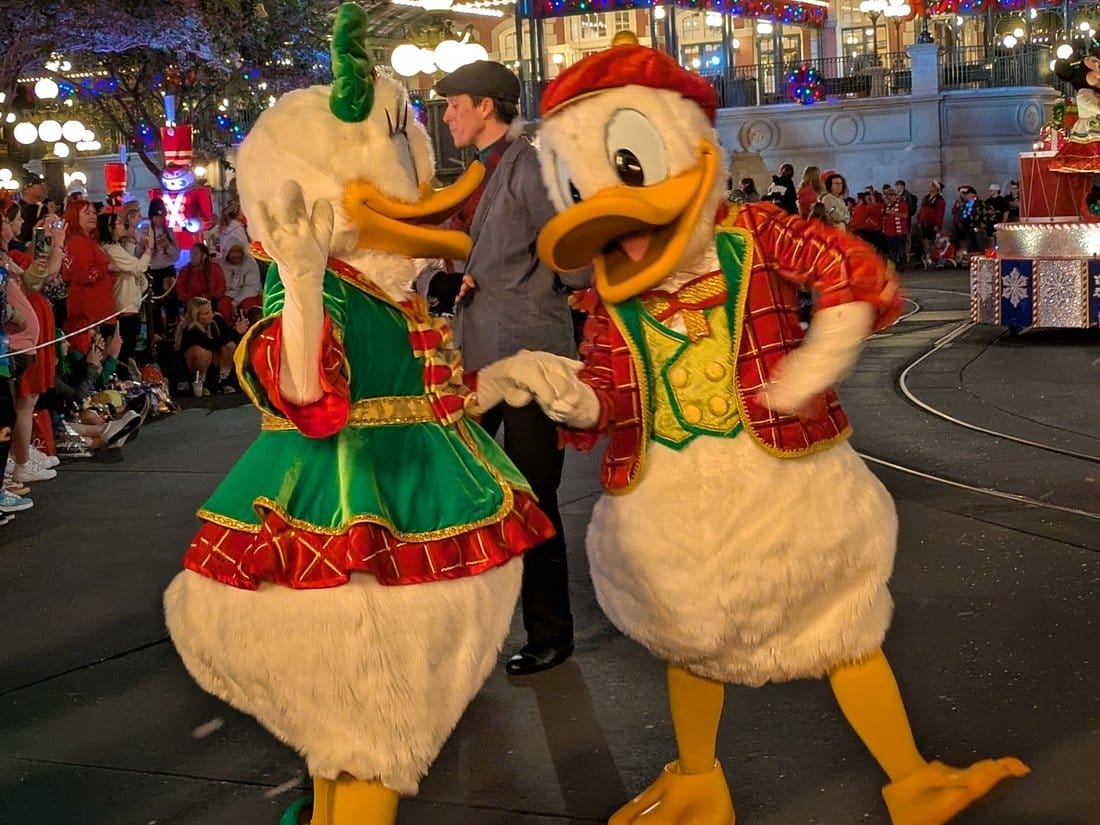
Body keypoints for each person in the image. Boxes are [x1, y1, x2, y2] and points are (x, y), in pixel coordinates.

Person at [437, 59, 580, 675]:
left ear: (487, 106)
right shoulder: (478, 173)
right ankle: (470, 631)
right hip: (478, 359)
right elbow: (473, 253)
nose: (445, 116)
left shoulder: (532, 166)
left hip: (529, 360)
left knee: (532, 495)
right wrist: (459, 278)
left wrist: (534, 281)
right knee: (464, 491)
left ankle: (550, 632)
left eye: (453, 104)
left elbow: (574, 260)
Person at [60, 198, 115, 356]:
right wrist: (108, 268)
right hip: (90, 312)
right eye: (87, 213)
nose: (93, 216)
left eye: (94, 212)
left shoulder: (87, 241)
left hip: (99, 309)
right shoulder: (78, 242)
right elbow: (85, 274)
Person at [98, 211, 153, 368]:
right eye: (120, 223)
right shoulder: (110, 248)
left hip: (128, 301)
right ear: (110, 228)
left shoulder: (115, 247)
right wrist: (149, 248)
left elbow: (128, 259)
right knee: (124, 349)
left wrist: (130, 237)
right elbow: (137, 266)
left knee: (129, 348)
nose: (124, 225)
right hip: (123, 304)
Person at [174, 296, 246, 395]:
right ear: (196, 316)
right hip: (195, 364)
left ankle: (223, 380)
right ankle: (201, 383)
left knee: (230, 345)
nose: (211, 315)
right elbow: (210, 345)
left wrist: (238, 329)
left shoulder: (217, 319)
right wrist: (235, 331)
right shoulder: (190, 329)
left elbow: (226, 338)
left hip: (214, 361)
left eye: (211, 311)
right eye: (206, 313)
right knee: (202, 351)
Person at [174, 242, 231, 321]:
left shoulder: (215, 268)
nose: (191, 256)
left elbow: (221, 287)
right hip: (192, 304)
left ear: (204, 256)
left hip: (211, 302)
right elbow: (180, 292)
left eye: (195, 254)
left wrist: (208, 296)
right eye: (191, 254)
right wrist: (194, 300)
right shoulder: (184, 270)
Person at [219, 239, 262, 315]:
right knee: (223, 305)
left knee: (249, 306)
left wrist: (235, 302)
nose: (237, 255)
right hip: (229, 294)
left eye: (239, 251)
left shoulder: (250, 263)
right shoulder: (220, 264)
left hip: (249, 294)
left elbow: (252, 286)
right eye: (233, 251)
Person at [916, 180, 946, 268]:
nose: (929, 188)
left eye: (931, 186)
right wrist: (919, 219)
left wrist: (938, 224)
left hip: (933, 224)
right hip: (924, 223)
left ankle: (939, 258)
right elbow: (922, 209)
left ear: (936, 188)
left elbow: (940, 213)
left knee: (935, 241)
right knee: (925, 240)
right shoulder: (926, 198)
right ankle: (928, 258)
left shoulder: (939, 200)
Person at [17, 176, 48, 245]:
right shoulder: (15, 207)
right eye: (39, 186)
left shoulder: (43, 208)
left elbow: (43, 232)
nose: (42, 189)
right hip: (18, 245)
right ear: (28, 189)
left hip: (35, 244)